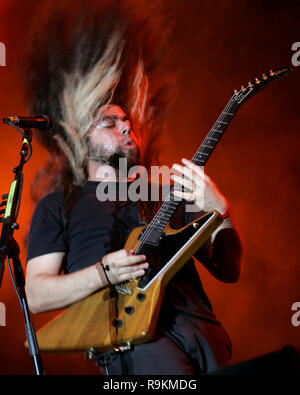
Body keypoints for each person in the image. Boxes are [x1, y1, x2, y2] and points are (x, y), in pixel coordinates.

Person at [24, 0, 243, 375]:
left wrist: (219, 208)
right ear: (82, 138)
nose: (126, 127)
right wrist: (102, 273)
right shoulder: (58, 205)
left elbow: (228, 268)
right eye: (110, 123)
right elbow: (38, 295)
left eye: (128, 122)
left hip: (203, 333)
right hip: (136, 340)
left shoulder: (165, 192)